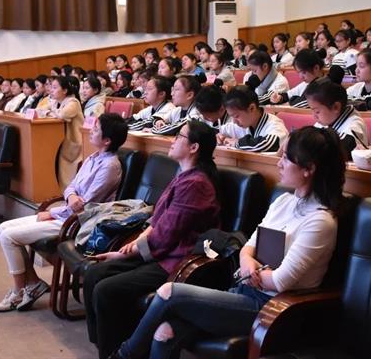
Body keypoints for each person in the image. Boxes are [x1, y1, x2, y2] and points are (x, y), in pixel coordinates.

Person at [107, 126, 345, 359]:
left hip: (273, 309)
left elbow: (281, 281)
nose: (279, 163)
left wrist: (250, 270)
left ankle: (125, 354)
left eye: (286, 158)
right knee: (165, 332)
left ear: (309, 169)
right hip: (244, 291)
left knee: (168, 291)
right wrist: (249, 264)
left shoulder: (320, 221)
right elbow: (249, 246)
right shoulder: (283, 201)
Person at [83, 120, 221, 359]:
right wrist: (132, 246)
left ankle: (118, 353)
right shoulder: (184, 175)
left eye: (179, 136)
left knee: (106, 289)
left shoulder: (196, 183)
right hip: (161, 250)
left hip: (176, 260)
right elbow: (158, 219)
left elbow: (168, 233)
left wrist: (131, 251)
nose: (173, 140)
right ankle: (106, 347)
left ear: (194, 147)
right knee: (94, 273)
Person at [0, 113, 128, 313]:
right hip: (67, 215)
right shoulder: (93, 157)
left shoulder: (110, 166)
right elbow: (70, 187)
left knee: (8, 236)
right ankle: (33, 283)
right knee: (3, 228)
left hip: (77, 223)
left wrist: (54, 212)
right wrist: (70, 197)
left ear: (107, 140)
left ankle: (18, 291)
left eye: (96, 129)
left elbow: (85, 205)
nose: (91, 131)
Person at [305, 79, 369, 153]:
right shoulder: (325, 121)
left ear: (336, 107)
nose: (314, 116)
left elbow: (339, 150)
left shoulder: (354, 125)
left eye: (317, 112)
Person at [217, 86, 288, 152]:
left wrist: (238, 143)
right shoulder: (241, 124)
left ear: (252, 108)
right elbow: (218, 130)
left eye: (236, 116)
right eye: (231, 116)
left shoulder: (275, 125)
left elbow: (271, 143)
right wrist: (217, 136)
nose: (234, 121)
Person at [47, 76, 85, 189]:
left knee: (66, 175)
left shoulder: (73, 102)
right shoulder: (56, 102)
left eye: (55, 87)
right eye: (51, 87)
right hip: (60, 140)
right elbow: (40, 110)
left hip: (74, 143)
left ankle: (68, 192)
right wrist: (52, 112)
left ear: (64, 90)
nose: (51, 90)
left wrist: (51, 112)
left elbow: (63, 115)